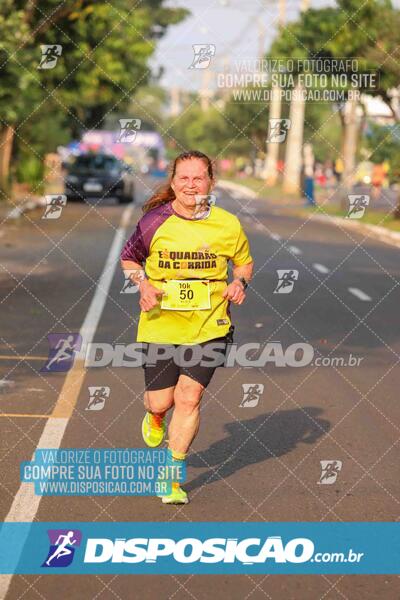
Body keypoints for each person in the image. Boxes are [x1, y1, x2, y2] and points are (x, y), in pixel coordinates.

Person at [120, 150, 254, 504]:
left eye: (199, 178)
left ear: (210, 181)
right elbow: (130, 259)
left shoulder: (227, 224)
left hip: (210, 325)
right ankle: (156, 416)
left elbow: (244, 263)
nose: (191, 184)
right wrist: (143, 284)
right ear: (173, 182)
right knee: (160, 400)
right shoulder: (154, 222)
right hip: (161, 325)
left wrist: (239, 284)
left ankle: (172, 477)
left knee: (189, 396)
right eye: (184, 178)